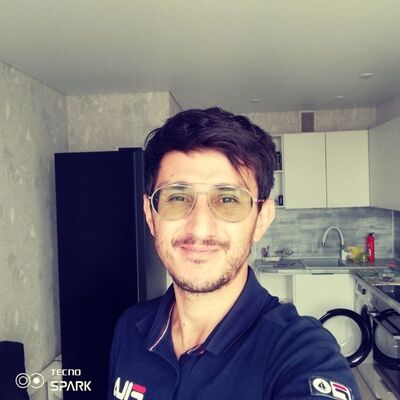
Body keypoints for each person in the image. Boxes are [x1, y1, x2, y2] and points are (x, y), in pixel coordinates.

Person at [108, 107, 360, 400]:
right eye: (177, 197)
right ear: (150, 215)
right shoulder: (130, 328)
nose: (200, 228)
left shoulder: (301, 352)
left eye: (228, 199)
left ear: (262, 219)